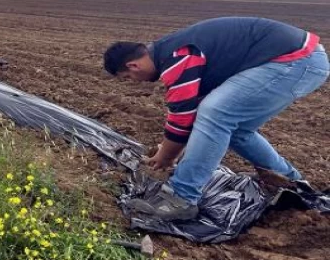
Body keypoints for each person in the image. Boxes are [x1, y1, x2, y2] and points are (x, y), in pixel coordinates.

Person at [103, 17, 329, 220]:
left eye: (128, 77)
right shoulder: (171, 52)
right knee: (236, 128)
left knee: (215, 113)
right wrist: (173, 150)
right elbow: (189, 115)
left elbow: (182, 119)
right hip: (300, 59)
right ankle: (290, 182)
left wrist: (167, 155)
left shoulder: (177, 58)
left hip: (296, 60)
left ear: (133, 65)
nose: (133, 81)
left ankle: (181, 198)